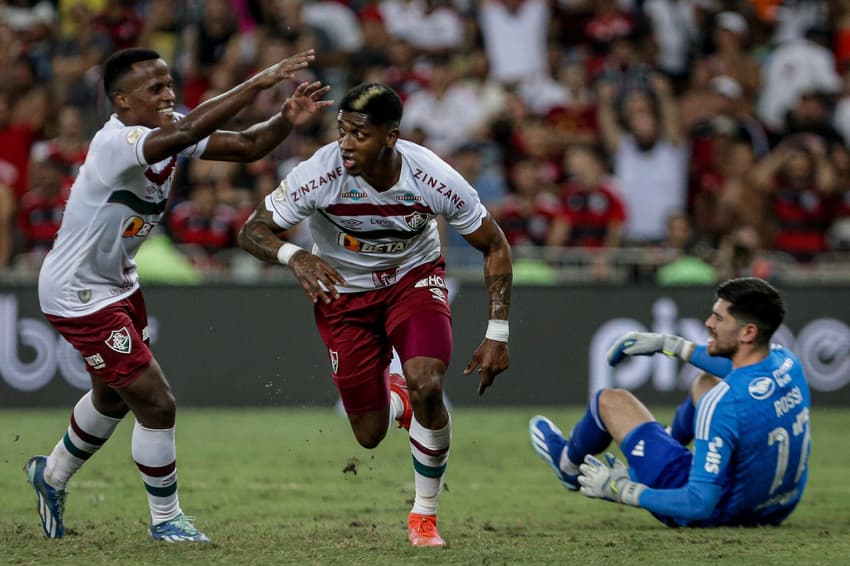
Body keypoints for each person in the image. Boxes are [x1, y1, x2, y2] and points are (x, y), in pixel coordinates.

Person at [25, 46, 332, 543]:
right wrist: (258, 82)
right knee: (157, 402)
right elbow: (187, 134)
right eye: (156, 89)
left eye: (170, 85)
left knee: (112, 397)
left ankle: (51, 474)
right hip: (78, 293)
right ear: (122, 100)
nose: (169, 95)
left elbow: (248, 146)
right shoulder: (117, 143)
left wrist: (284, 118)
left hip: (119, 283)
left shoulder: (166, 131)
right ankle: (166, 519)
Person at [237, 82, 513, 547]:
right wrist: (294, 256)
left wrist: (498, 332)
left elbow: (495, 245)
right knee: (369, 434)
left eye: (358, 133)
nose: (345, 143)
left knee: (429, 383)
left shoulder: (433, 177)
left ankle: (424, 516)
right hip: (343, 295)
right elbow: (252, 230)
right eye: (342, 130)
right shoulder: (319, 173)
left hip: (413, 278)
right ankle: (398, 398)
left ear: (390, 137)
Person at [530, 277, 811, 527]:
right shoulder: (788, 363)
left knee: (610, 400)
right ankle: (667, 444)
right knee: (705, 381)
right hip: (776, 508)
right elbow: (732, 370)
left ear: (748, 332)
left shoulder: (724, 404)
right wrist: (670, 344)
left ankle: (567, 466)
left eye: (719, 319)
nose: (708, 324)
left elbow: (700, 504)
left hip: (715, 512)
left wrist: (622, 489)